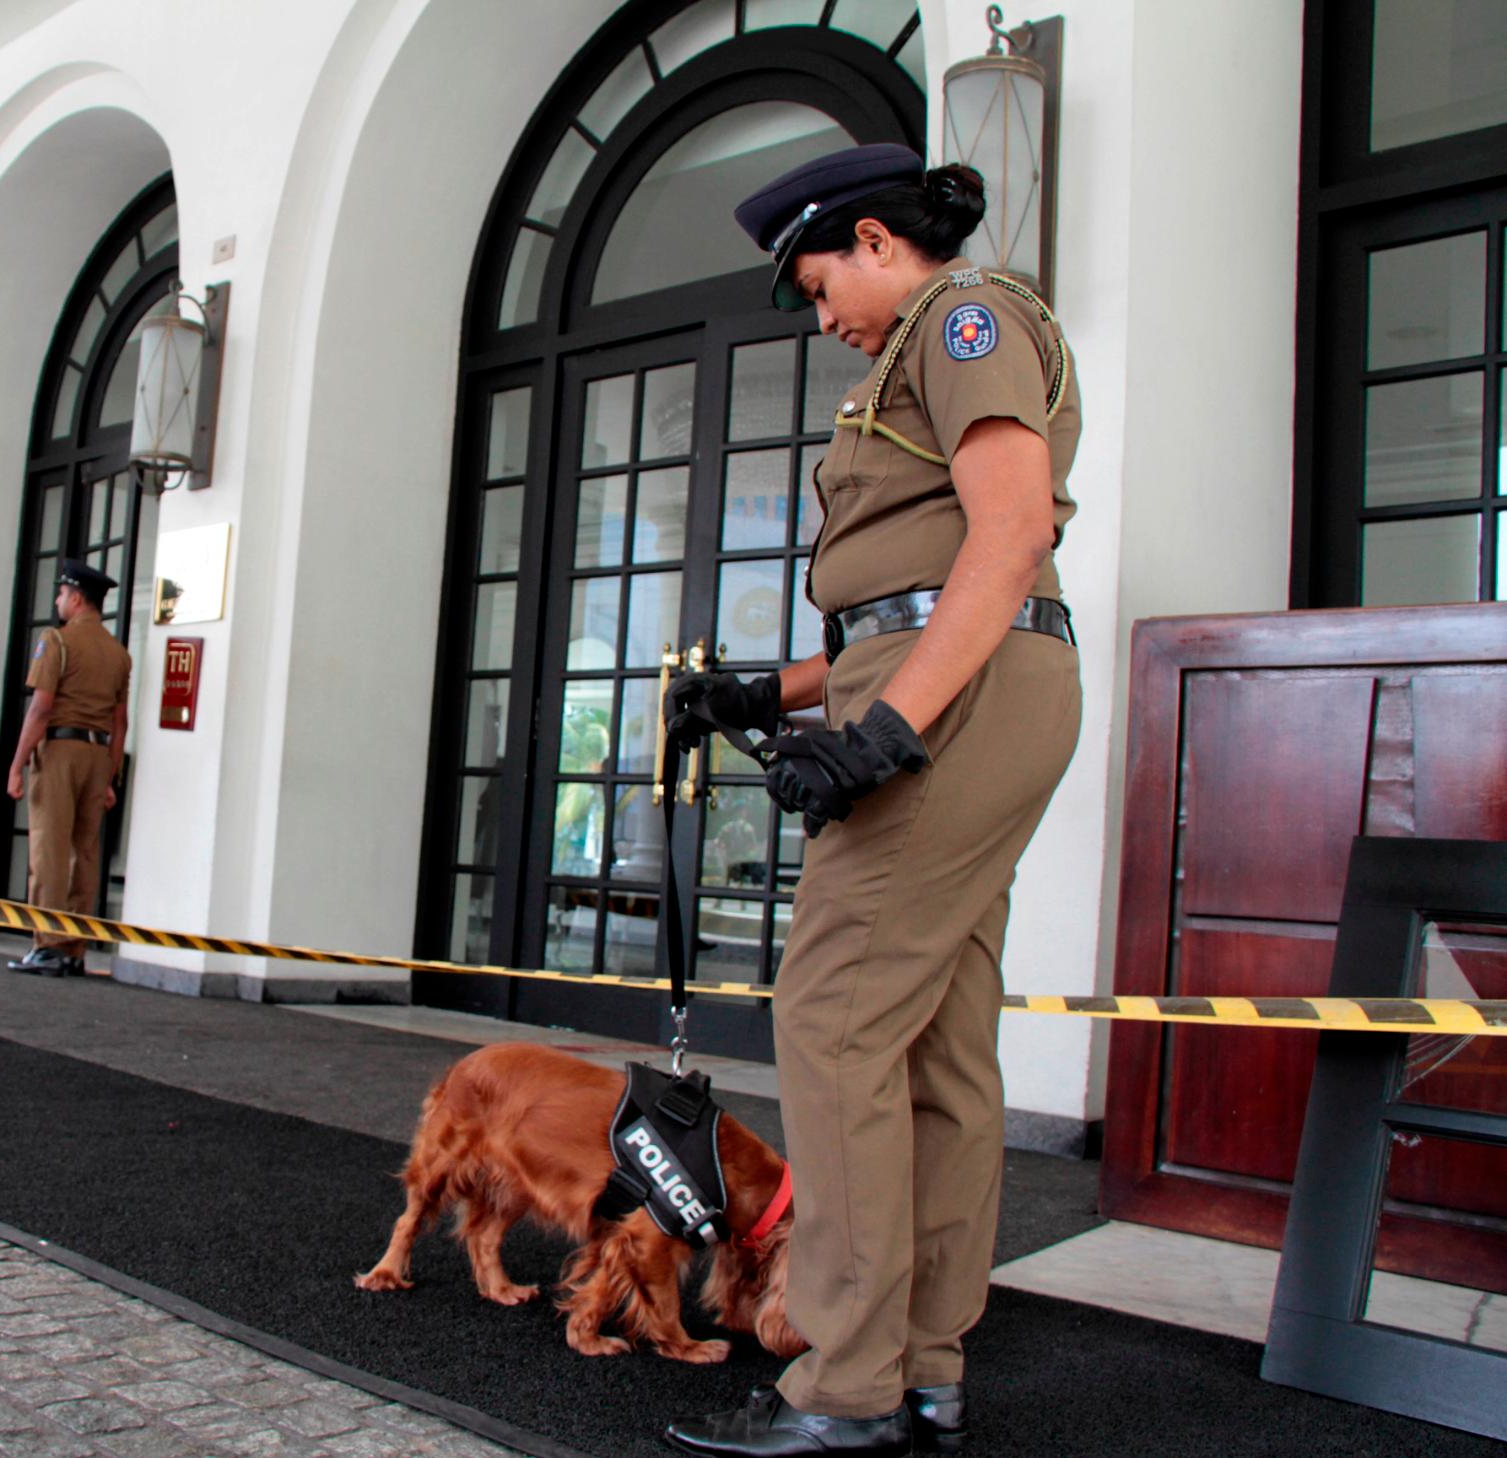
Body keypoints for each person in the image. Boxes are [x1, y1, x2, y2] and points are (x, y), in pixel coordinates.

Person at [662, 144, 1082, 1458]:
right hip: (951, 679)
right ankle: (923, 1368)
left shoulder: (961, 321)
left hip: (951, 696)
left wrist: (887, 730)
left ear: (872, 241)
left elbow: (1005, 539)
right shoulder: (909, 359)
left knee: (834, 1014)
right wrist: (769, 692)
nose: (816, 312)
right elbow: (908, 589)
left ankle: (842, 1377)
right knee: (934, 1045)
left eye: (812, 281)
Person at [4, 560, 131, 977]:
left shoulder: (56, 641)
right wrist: (111, 774)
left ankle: (47, 945)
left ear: (76, 599)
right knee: (85, 853)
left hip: (59, 751)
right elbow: (120, 722)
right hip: (97, 756)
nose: (58, 600)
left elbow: (40, 708)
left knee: (49, 851)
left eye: (61, 594)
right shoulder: (118, 653)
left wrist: (18, 763)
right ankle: (74, 949)